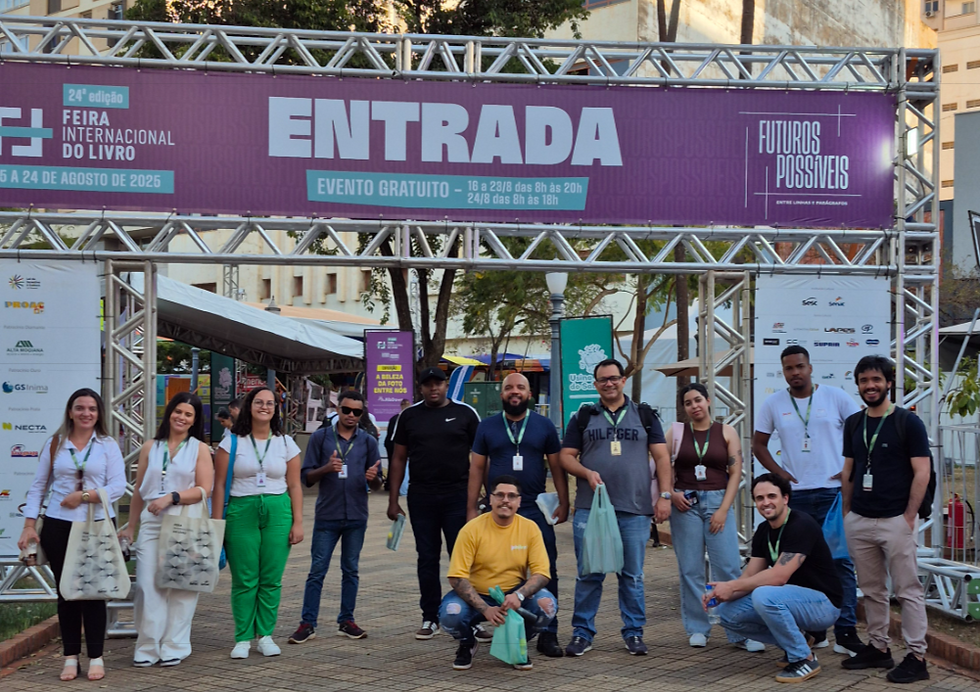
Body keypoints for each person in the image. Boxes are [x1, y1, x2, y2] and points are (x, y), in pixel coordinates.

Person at [753, 345, 863, 656]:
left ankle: (846, 631)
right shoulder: (774, 403)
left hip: (833, 494)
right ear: (783, 372)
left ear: (810, 367)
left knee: (840, 563)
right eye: (789, 368)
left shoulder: (835, 397)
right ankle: (815, 632)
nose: (795, 372)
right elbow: (758, 445)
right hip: (796, 498)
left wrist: (849, 469)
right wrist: (780, 475)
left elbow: (860, 432)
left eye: (800, 366)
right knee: (800, 567)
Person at [559, 358, 671, 657]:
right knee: (589, 574)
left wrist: (665, 496)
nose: (608, 383)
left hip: (634, 508)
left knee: (631, 576)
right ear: (595, 385)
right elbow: (565, 456)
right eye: (602, 380)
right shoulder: (583, 416)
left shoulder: (644, 415)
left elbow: (662, 457)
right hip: (591, 508)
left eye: (613, 378)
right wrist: (586, 472)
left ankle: (634, 632)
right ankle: (582, 633)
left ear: (623, 380)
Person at [17, 388, 126, 682]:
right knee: (67, 593)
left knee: (93, 593)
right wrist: (29, 524)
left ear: (99, 414)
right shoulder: (55, 443)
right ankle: (70, 657)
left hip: (97, 525)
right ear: (70, 412)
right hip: (59, 525)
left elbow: (118, 486)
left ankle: (96, 656)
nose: (86, 413)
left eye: (92, 408)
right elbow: (39, 486)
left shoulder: (107, 445)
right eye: (80, 408)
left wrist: (85, 496)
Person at [840, 355, 931, 683]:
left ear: (889, 383)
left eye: (876, 379)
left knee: (907, 590)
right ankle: (879, 648)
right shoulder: (854, 423)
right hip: (860, 519)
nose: (870, 386)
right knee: (872, 590)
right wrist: (847, 512)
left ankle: (917, 657)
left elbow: (922, 471)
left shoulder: (908, 422)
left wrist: (909, 516)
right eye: (864, 380)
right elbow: (848, 470)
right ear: (858, 385)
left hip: (896, 520)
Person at [467, 372, 568, 657]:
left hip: (534, 509)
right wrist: (471, 508)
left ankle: (548, 632)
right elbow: (476, 468)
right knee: (490, 567)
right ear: (501, 394)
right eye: (509, 387)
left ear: (529, 394)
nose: (515, 391)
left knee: (546, 569)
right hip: (496, 510)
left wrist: (564, 501)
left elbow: (556, 466)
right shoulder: (487, 426)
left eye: (520, 387)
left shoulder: (544, 425)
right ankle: (478, 625)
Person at [710, 474, 843, 683]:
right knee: (725, 613)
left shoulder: (801, 524)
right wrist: (722, 593)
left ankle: (804, 659)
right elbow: (751, 574)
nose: (766, 503)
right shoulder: (764, 530)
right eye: (760, 498)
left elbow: (779, 576)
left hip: (824, 605)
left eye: (771, 496)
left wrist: (732, 586)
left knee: (764, 595)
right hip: (791, 601)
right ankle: (799, 641)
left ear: (785, 498)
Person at [119, 392, 214, 667]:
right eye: (178, 411)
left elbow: (204, 490)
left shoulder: (199, 449)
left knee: (181, 586)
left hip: (184, 521)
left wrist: (172, 497)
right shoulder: (151, 446)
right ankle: (147, 646)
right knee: (147, 586)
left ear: (195, 420)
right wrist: (130, 527)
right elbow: (139, 490)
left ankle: (175, 646)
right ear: (169, 412)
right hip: (152, 522)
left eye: (188, 414)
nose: (181, 417)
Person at [666, 383, 763, 652]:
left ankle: (740, 631)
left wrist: (723, 509)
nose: (694, 406)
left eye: (698, 400)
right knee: (691, 570)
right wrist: (671, 494)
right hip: (685, 505)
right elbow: (661, 465)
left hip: (719, 502)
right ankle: (698, 628)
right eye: (688, 403)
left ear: (708, 401)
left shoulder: (726, 431)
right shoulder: (676, 433)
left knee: (728, 568)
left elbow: (736, 473)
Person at [387, 366, 480, 640]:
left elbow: (480, 458)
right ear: (420, 388)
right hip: (422, 497)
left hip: (457, 497)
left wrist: (480, 499)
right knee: (427, 558)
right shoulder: (409, 416)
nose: (433, 388)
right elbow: (398, 458)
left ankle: (472, 616)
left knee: (462, 558)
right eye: (427, 384)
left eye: (438, 383)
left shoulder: (466, 413)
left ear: (446, 385)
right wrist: (393, 500)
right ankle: (430, 617)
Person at [211, 386, 304, 660]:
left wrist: (298, 522)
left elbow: (295, 486)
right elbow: (219, 486)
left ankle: (265, 635)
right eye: (259, 402)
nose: (265, 407)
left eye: (270, 403)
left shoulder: (286, 443)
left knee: (271, 578)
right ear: (249, 406)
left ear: (276, 409)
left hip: (278, 511)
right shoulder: (232, 442)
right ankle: (242, 638)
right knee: (244, 578)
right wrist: (217, 524)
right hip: (242, 510)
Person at [289, 390, 382, 644]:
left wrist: (373, 480)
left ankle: (346, 620)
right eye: (346, 410)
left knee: (351, 570)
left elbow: (377, 483)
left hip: (356, 516)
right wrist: (326, 468)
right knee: (317, 570)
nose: (351, 415)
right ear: (337, 409)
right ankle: (308, 623)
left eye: (357, 412)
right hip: (327, 515)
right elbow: (306, 478)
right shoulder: (320, 438)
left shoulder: (368, 441)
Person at [440, 476, 555, 671]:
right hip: (478, 594)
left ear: (519, 501)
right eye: (500, 495)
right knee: (451, 613)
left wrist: (519, 595)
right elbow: (456, 577)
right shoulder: (471, 529)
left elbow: (542, 573)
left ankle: (516, 643)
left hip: (514, 594)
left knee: (547, 606)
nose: (505, 500)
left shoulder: (530, 528)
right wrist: (486, 609)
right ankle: (467, 643)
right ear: (490, 499)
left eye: (511, 496)